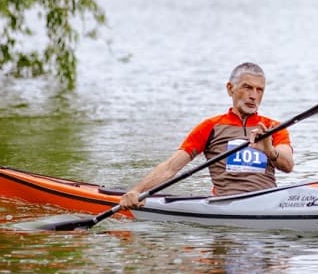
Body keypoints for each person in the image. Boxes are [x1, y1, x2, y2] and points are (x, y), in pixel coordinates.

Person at [119, 62, 293, 209]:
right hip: (227, 206)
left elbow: (288, 165)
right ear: (230, 89)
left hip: (268, 203)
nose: (254, 96)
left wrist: (270, 152)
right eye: (247, 88)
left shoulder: (273, 127)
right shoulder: (210, 127)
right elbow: (171, 167)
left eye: (259, 90)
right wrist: (136, 191)